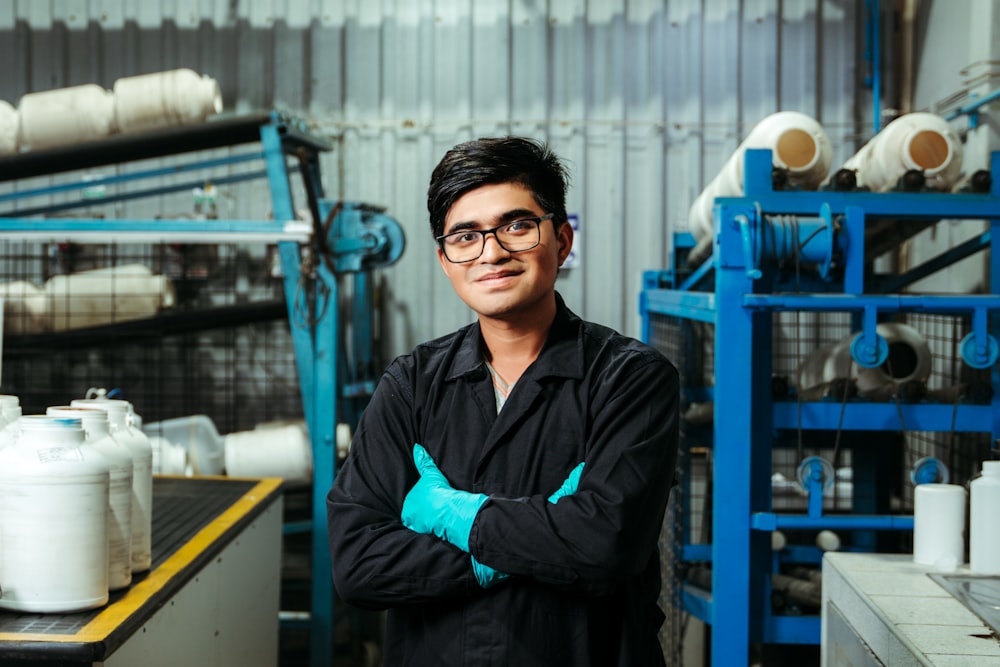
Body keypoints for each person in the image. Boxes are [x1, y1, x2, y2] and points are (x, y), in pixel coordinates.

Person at [327, 136, 678, 666]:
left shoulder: (629, 379)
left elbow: (606, 543)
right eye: (465, 236)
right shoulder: (411, 386)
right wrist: (537, 538)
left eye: (517, 225)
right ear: (446, 260)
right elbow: (358, 564)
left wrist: (454, 516)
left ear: (561, 239)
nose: (491, 252)